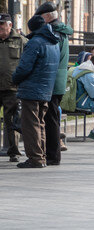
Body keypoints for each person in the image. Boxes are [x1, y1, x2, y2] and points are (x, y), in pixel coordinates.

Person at [12, 15, 59, 168]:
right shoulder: (54, 43)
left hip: (31, 89)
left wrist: (15, 78)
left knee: (30, 125)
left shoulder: (35, 43)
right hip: (46, 90)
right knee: (40, 123)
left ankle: (35, 158)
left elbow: (24, 68)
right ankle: (42, 155)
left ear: (32, 28)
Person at [35, 2, 73, 166]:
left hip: (51, 80)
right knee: (52, 117)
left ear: (48, 16)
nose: (40, 21)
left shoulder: (54, 33)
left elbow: (50, 57)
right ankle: (52, 153)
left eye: (41, 17)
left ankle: (52, 155)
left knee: (51, 119)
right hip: (58, 80)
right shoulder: (62, 31)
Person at [0, 13, 26, 162]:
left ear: (10, 26)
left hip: (12, 88)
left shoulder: (21, 41)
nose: (0, 31)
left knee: (11, 121)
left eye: (2, 27)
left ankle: (14, 151)